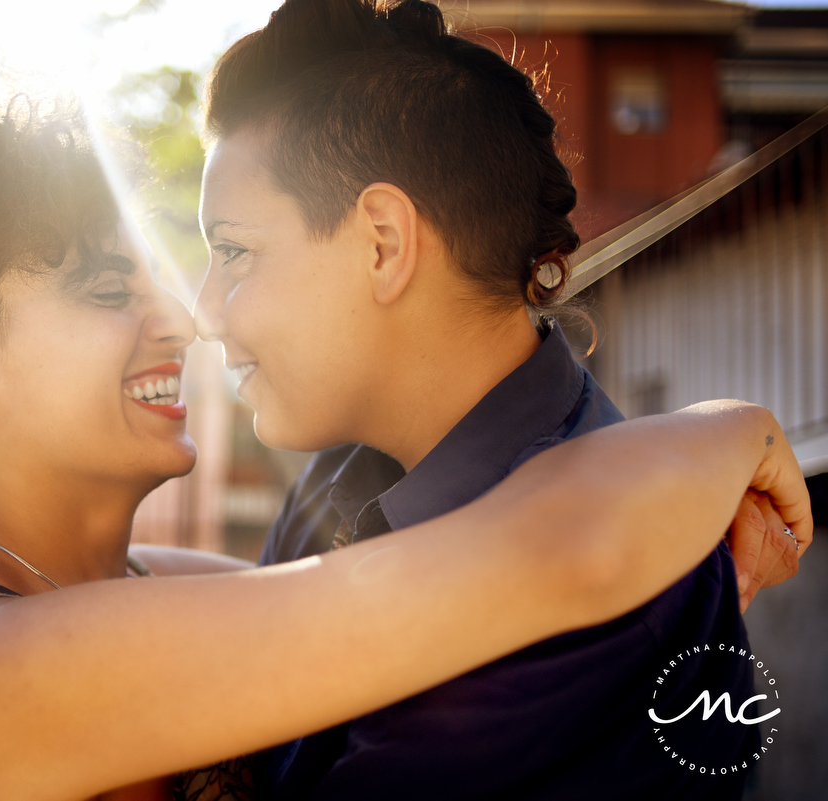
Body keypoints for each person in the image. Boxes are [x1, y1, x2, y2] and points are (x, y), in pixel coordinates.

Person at [0, 101, 809, 801]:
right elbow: (547, 558)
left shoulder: (149, 586)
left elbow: (488, 621)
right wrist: (733, 430)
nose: (183, 322)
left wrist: (692, 562)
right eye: (109, 291)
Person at [191, 1, 810, 798]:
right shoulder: (342, 474)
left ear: (384, 242)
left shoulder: (624, 592)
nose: (202, 311)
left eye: (235, 251)